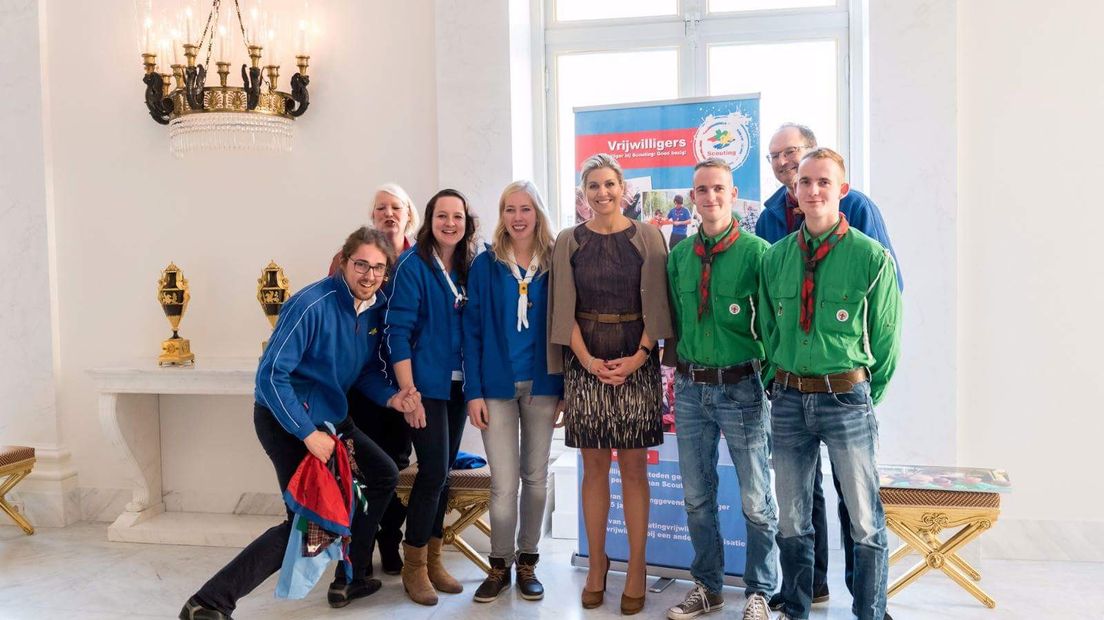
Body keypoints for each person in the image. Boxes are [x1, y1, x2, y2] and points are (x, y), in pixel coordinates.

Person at [179, 227, 421, 619]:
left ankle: (352, 575)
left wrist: (392, 397)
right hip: (286, 421)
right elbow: (270, 377)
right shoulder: (310, 304)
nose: (369, 275)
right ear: (343, 262)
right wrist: (307, 434)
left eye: (378, 268)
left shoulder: (374, 310)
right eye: (361, 264)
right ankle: (208, 603)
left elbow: (360, 374)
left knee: (382, 475)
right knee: (301, 524)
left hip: (332, 420)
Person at [757, 123, 903, 615]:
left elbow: (885, 338)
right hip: (790, 401)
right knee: (791, 516)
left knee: (863, 517)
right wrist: (775, 382)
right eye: (805, 182)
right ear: (794, 192)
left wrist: (863, 393)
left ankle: (870, 611)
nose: (813, 189)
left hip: (846, 399)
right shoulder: (775, 258)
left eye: (824, 181)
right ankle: (796, 604)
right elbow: (767, 331)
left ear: (842, 189)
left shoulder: (870, 257)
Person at [547, 153, 674, 616]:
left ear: (624, 190)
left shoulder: (648, 236)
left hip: (636, 360)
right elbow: (563, 306)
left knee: (635, 469)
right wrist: (586, 360)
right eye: (593, 186)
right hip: (585, 362)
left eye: (609, 185)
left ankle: (636, 566)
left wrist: (640, 357)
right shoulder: (569, 241)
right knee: (595, 467)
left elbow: (659, 305)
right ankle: (597, 563)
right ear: (584, 194)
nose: (602, 193)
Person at [664, 158, 778, 620]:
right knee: (696, 495)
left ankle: (760, 592)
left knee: (756, 496)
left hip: (742, 388)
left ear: (732, 195)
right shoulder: (678, 257)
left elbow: (772, 323)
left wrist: (767, 381)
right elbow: (673, 322)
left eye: (718, 189)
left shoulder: (759, 253)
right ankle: (708, 587)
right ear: (692, 198)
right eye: (701, 190)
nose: (709, 197)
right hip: (691, 389)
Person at [463, 181, 565, 603]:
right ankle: (499, 564)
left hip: (544, 384)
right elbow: (471, 331)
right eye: (510, 209)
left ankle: (528, 561)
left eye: (525, 209)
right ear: (502, 214)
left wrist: (566, 390)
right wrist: (473, 392)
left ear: (538, 213)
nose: (518, 217)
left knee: (536, 479)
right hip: (497, 387)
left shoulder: (557, 260)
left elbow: (566, 323)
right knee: (504, 483)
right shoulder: (486, 264)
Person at [386, 188, 479, 606]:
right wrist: (409, 393)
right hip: (424, 387)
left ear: (466, 222)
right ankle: (414, 567)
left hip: (458, 385)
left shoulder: (466, 264)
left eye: (457, 216)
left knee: (442, 476)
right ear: (429, 219)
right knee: (432, 473)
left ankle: (435, 559)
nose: (450, 223)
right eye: (442, 216)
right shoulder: (411, 264)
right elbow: (397, 333)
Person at [327, 183, 420, 577]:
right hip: (360, 384)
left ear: (409, 215)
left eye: (396, 207)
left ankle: (389, 538)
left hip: (404, 380)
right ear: (373, 216)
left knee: (398, 467)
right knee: (361, 470)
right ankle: (356, 553)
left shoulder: (419, 258)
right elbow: (336, 312)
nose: (389, 213)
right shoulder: (350, 258)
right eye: (381, 207)